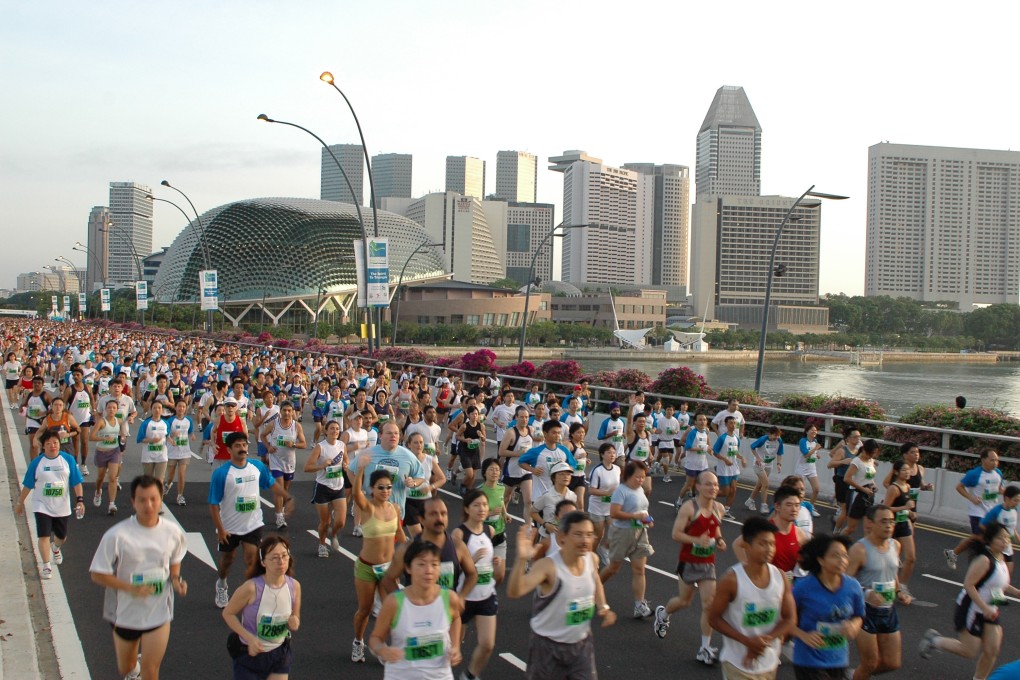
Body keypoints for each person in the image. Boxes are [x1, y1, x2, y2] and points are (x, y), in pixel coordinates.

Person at [89, 475, 188, 680]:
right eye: (142, 500)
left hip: (158, 610)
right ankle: (134, 671)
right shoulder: (117, 535)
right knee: (126, 668)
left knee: (151, 670)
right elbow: (97, 574)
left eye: (153, 499)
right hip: (124, 613)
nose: (148, 505)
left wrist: (176, 579)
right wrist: (130, 588)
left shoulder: (173, 532)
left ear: (160, 499)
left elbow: (175, 559)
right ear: (133, 502)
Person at [507, 511, 616, 680]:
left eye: (589, 535)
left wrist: (603, 607)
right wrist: (521, 560)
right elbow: (515, 591)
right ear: (562, 537)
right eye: (578, 534)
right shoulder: (549, 567)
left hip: (581, 646)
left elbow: (596, 582)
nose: (585, 540)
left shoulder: (591, 559)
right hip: (547, 647)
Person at [919, 522, 1020, 680]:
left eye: (1007, 538)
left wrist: (1017, 593)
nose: (1005, 541)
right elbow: (969, 585)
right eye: (1001, 538)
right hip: (972, 609)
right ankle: (934, 640)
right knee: (969, 651)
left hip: (990, 611)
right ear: (990, 539)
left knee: (992, 650)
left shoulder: (1001, 559)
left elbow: (999, 584)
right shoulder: (984, 560)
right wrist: (984, 608)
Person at [209, 432, 293, 609]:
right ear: (229, 449)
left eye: (244, 445)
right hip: (229, 527)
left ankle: (251, 594)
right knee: (227, 560)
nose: (242, 448)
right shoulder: (221, 474)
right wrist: (221, 529)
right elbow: (213, 505)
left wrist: (287, 497)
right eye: (237, 446)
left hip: (252, 524)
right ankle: (221, 584)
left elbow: (271, 483)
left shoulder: (257, 467)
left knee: (252, 559)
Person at [708, 516, 797, 680]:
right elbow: (713, 618)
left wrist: (765, 641)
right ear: (746, 546)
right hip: (737, 664)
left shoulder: (780, 577)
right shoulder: (731, 581)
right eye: (762, 544)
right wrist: (747, 641)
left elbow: (790, 618)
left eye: (772, 544)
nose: (769, 549)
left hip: (769, 663)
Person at [654, 470, 728, 666]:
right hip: (688, 561)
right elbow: (676, 534)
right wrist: (696, 540)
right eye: (708, 484)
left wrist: (719, 539)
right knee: (684, 601)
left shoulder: (719, 508)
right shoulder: (689, 508)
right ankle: (663, 614)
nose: (713, 488)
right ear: (698, 486)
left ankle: (704, 648)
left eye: (715, 484)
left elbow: (715, 526)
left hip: (708, 563)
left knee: (709, 604)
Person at [369, 540, 464, 680]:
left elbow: (455, 618)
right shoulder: (394, 603)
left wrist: (455, 646)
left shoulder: (449, 598)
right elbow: (375, 638)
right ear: (408, 568)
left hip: (440, 676)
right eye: (421, 564)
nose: (428, 570)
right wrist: (382, 650)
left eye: (434, 564)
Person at [222, 535, 302, 680]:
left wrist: (294, 620)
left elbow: (295, 616)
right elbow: (228, 613)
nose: (281, 561)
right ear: (263, 562)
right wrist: (250, 638)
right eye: (275, 558)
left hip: (279, 654)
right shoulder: (251, 588)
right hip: (249, 656)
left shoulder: (294, 586)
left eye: (284, 556)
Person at [847, 504, 911, 680]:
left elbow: (891, 571)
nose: (889, 526)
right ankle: (859, 674)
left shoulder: (895, 545)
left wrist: (899, 591)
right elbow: (845, 583)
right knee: (869, 663)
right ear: (870, 523)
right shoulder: (859, 550)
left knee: (892, 662)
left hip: (888, 610)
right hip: (865, 611)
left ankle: (855, 675)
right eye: (883, 521)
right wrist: (867, 594)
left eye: (891, 521)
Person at [350, 467, 406, 663]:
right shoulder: (367, 507)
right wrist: (360, 471)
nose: (385, 491)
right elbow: (356, 494)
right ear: (372, 489)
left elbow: (399, 533)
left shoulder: (395, 508)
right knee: (365, 610)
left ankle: (381, 647)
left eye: (388, 487)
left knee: (390, 610)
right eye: (380, 487)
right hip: (366, 567)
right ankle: (358, 642)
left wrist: (412, 553)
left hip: (388, 569)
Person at [790, 534, 865, 680]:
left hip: (838, 659)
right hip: (808, 661)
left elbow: (858, 615)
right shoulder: (803, 588)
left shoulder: (853, 586)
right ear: (821, 560)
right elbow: (785, 618)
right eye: (835, 556)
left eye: (845, 555)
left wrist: (853, 626)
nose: (842, 560)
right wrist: (803, 635)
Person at [16, 428, 86, 580]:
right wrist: (20, 502)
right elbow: (28, 484)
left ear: (59, 444)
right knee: (44, 535)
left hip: (61, 506)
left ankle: (56, 547)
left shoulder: (68, 460)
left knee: (62, 536)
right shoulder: (37, 462)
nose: (52, 446)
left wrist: (80, 500)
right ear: (43, 446)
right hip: (41, 505)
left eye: (55, 443)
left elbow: (76, 482)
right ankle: (46, 565)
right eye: (48, 443)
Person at [452, 489, 499, 680]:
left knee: (487, 644)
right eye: (476, 505)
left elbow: (486, 559)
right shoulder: (459, 534)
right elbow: (452, 567)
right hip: (464, 597)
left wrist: (493, 561)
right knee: (453, 647)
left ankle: (470, 675)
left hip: (486, 595)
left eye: (485, 505)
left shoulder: (489, 530)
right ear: (467, 508)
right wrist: (472, 560)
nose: (482, 509)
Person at [600, 460, 655, 619]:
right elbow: (614, 513)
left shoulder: (640, 490)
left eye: (643, 477)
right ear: (628, 476)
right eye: (637, 477)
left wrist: (647, 520)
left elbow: (643, 510)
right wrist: (635, 516)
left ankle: (639, 605)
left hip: (640, 532)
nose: (641, 480)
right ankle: (594, 589)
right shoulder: (621, 491)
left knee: (639, 570)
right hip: (622, 533)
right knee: (613, 568)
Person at [946, 449, 1004, 570]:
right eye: (992, 460)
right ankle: (985, 563)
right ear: (983, 460)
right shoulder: (974, 474)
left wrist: (1008, 493)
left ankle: (954, 553)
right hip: (977, 512)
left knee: (982, 538)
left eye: (997, 460)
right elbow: (959, 487)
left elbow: (998, 489)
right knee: (981, 538)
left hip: (992, 512)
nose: (995, 463)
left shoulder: (998, 473)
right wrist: (971, 498)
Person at [303, 419, 347, 557]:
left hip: (338, 487)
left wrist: (345, 465)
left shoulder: (342, 445)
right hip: (323, 487)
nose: (335, 431)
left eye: (337, 429)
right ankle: (322, 544)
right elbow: (307, 467)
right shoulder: (320, 447)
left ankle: (333, 534)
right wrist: (322, 465)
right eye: (332, 428)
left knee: (340, 522)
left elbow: (345, 460)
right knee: (325, 521)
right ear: (326, 431)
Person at [260, 401, 306, 529]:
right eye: (284, 410)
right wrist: (268, 447)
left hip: (289, 462)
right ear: (280, 411)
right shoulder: (274, 424)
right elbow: (262, 435)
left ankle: (282, 508)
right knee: (279, 489)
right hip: (276, 461)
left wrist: (294, 444)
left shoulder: (296, 426)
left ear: (292, 412)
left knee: (285, 490)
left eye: (289, 410)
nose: (286, 413)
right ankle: (279, 516)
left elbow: (304, 444)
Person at [518, 419, 580, 501]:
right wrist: (532, 470)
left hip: (558, 497)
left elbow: (573, 464)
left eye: (559, 433)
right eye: (554, 433)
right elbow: (521, 462)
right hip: (539, 496)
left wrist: (564, 471)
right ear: (545, 433)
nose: (557, 435)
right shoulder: (536, 451)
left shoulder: (564, 450)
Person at [403, 430, 447, 538]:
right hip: (409, 501)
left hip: (425, 502)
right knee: (417, 534)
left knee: (427, 534)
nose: (419, 445)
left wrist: (430, 487)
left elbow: (442, 479)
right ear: (409, 445)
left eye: (421, 442)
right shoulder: (404, 460)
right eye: (415, 442)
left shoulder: (429, 460)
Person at [882, 460, 917, 594]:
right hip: (891, 526)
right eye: (904, 470)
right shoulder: (894, 488)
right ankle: (889, 585)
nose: (907, 472)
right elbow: (885, 508)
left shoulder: (907, 486)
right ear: (896, 472)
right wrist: (904, 507)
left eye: (908, 470)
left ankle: (903, 586)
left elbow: (906, 507)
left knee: (911, 557)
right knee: (890, 559)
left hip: (903, 523)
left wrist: (910, 513)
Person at [531, 462, 578, 561]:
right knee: (541, 564)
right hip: (547, 537)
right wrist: (545, 524)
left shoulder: (572, 496)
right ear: (554, 477)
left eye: (568, 474)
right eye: (561, 474)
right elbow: (532, 512)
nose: (566, 477)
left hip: (565, 538)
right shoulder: (547, 496)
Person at [587, 443, 620, 566]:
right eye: (609, 452)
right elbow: (591, 490)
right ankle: (590, 557)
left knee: (616, 530)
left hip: (611, 507)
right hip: (597, 508)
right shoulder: (597, 471)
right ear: (602, 454)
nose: (612, 455)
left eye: (614, 452)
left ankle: (604, 549)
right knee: (598, 535)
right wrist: (607, 493)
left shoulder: (617, 469)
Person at [477, 457, 509, 583]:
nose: (495, 472)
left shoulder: (501, 488)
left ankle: (490, 592)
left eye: (497, 470)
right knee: (482, 576)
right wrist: (489, 513)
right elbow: (472, 516)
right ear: (484, 472)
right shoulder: (479, 492)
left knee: (500, 575)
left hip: (499, 534)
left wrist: (505, 514)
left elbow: (501, 502)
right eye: (491, 469)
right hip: (483, 536)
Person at [91, 398, 124, 514]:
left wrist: (123, 438)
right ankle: (98, 492)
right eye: (109, 407)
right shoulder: (101, 422)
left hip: (114, 451)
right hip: (101, 452)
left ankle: (111, 504)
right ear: (105, 409)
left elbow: (122, 434)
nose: (111, 410)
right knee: (100, 477)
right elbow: (91, 437)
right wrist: (104, 438)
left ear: (117, 410)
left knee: (112, 478)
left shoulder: (119, 421)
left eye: (114, 408)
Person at [842, 438, 881, 537]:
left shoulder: (871, 460)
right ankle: (837, 542)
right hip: (857, 495)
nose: (872, 455)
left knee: (869, 527)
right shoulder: (856, 461)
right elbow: (847, 478)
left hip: (868, 495)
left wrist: (873, 485)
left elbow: (869, 477)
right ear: (864, 450)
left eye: (874, 453)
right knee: (851, 528)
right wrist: (863, 489)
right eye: (871, 453)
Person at [828, 428, 862, 535]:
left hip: (852, 482)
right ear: (848, 439)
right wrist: (843, 461)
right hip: (842, 481)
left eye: (859, 436)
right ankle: (836, 532)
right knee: (845, 509)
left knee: (848, 510)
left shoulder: (859, 452)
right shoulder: (842, 451)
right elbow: (830, 464)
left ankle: (836, 521)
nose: (858, 439)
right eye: (855, 437)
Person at [712, 415, 746, 520]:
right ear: (726, 424)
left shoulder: (736, 438)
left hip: (734, 468)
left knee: (733, 490)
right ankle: (705, 496)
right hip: (724, 468)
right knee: (724, 492)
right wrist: (725, 460)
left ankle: (726, 511)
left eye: (734, 423)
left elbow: (735, 452)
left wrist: (742, 458)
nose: (733, 425)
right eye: (730, 423)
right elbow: (714, 452)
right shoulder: (722, 438)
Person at [677, 412, 712, 506]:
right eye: (700, 420)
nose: (702, 422)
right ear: (695, 422)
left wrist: (710, 450)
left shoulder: (705, 432)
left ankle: (697, 500)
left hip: (703, 464)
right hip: (692, 464)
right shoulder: (693, 433)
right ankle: (679, 501)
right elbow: (688, 447)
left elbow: (708, 444)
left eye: (704, 420)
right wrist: (702, 448)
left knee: (702, 485)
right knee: (688, 485)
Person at [747, 426, 784, 515]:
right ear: (770, 434)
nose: (777, 437)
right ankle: (764, 505)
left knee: (760, 485)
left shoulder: (779, 441)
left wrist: (779, 464)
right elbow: (752, 447)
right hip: (759, 464)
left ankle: (750, 500)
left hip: (769, 464)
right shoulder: (763, 439)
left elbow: (779, 453)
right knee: (766, 484)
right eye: (775, 435)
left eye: (778, 435)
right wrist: (757, 457)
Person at [164, 399, 195, 506]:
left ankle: (180, 496)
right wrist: (172, 435)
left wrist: (192, 436)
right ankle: (168, 484)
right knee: (170, 475)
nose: (181, 408)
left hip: (184, 452)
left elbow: (190, 431)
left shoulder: (188, 420)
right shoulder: (170, 420)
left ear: (186, 408)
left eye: (183, 407)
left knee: (181, 474)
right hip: (172, 451)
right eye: (179, 406)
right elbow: (166, 434)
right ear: (175, 408)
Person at [136, 401, 170, 482]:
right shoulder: (146, 423)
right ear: (151, 410)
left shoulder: (166, 423)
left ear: (162, 410)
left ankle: (159, 491)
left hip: (162, 456)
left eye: (159, 408)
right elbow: (140, 439)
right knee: (148, 481)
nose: (157, 410)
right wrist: (151, 440)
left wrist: (172, 440)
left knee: (160, 480)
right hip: (148, 456)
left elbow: (167, 436)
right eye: (154, 408)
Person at [796, 425, 823, 516]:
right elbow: (806, 455)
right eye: (812, 430)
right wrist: (815, 449)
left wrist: (817, 454)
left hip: (811, 469)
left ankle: (811, 507)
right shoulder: (803, 441)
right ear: (807, 432)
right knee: (800, 491)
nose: (814, 432)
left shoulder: (815, 441)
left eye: (815, 430)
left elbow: (814, 452)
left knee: (816, 489)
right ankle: (800, 508)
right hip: (801, 469)